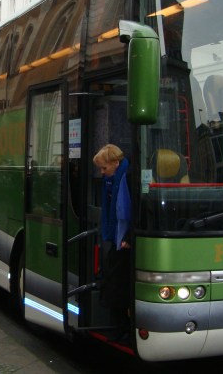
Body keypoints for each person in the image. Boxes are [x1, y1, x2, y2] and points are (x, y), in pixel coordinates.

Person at [92, 144, 131, 342]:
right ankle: (119, 328)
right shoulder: (110, 180)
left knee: (118, 287)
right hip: (115, 238)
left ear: (115, 163)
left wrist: (128, 238)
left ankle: (121, 330)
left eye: (104, 168)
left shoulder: (127, 177)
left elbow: (132, 211)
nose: (102, 172)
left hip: (123, 241)